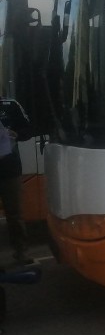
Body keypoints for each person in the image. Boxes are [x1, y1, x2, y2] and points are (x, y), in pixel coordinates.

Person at [0, 98, 33, 266]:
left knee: (15, 214)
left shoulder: (11, 105)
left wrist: (16, 134)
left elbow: (28, 129)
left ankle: (21, 252)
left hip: (10, 169)